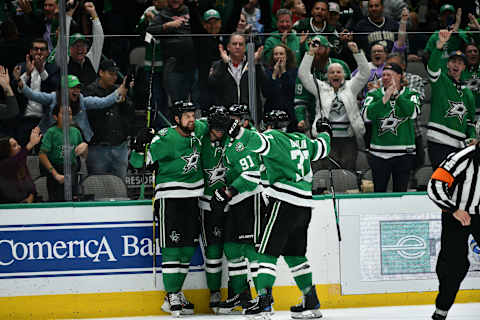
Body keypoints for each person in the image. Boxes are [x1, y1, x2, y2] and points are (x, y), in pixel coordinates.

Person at [225, 110, 331, 320]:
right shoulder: (302, 139)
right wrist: (325, 131)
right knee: (295, 255)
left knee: (266, 253)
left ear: (269, 125)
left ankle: (264, 302)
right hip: (304, 205)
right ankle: (311, 302)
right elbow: (323, 148)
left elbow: (256, 142)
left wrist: (235, 130)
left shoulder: (274, 138)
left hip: (283, 201)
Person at [130, 101, 208, 317]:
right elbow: (138, 163)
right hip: (170, 199)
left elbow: (217, 125)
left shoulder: (199, 129)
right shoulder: (165, 139)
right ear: (176, 119)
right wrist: (138, 144)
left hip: (194, 199)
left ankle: (175, 293)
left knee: (187, 249)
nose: (192, 119)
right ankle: (172, 293)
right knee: (172, 248)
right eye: (187, 116)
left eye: (193, 114)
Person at [210, 108, 266, 314]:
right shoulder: (229, 142)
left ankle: (263, 298)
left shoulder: (247, 141)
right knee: (232, 249)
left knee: (252, 251)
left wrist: (227, 192)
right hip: (236, 202)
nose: (230, 124)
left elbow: (252, 177)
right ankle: (241, 294)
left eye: (234, 120)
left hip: (251, 200)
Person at [426, 130, 480, 320]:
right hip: (457, 215)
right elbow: (435, 185)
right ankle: (442, 309)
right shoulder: (462, 158)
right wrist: (454, 209)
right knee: (454, 265)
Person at [298, 40, 370, 170]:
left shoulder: (351, 87)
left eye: (338, 72)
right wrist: (310, 53)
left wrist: (357, 53)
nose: (335, 74)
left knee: (349, 170)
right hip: (327, 138)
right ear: (327, 76)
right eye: (332, 72)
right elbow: (303, 75)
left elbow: (365, 73)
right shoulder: (321, 88)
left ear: (344, 75)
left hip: (348, 138)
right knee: (329, 170)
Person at [18, 74, 128, 143]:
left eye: (78, 87)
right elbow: (33, 95)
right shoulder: (53, 98)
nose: (76, 90)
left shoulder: (82, 101)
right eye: (73, 88)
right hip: (52, 138)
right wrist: (22, 85)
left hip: (74, 141)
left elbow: (104, 102)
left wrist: (121, 88)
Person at [362, 63, 420, 192]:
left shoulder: (411, 94)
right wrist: (384, 98)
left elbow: (413, 113)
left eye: (389, 75)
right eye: (383, 75)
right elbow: (366, 116)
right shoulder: (374, 94)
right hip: (379, 153)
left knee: (400, 193)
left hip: (404, 153)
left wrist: (397, 97)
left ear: (400, 76)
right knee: (379, 193)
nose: (385, 77)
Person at [426, 29, 476, 169]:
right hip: (438, 141)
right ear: (448, 64)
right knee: (441, 180)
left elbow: (470, 121)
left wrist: (472, 137)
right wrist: (439, 47)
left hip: (459, 145)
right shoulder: (440, 80)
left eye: (460, 63)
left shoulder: (467, 93)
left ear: (464, 67)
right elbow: (432, 67)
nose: (456, 65)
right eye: (453, 61)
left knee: (456, 184)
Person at [198, 105, 230, 313]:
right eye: (215, 127)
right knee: (213, 251)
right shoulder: (200, 139)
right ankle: (214, 292)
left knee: (237, 250)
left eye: (222, 127)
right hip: (209, 204)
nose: (219, 131)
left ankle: (239, 293)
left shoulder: (232, 138)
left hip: (233, 202)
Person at [82, 59, 134, 180]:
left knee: (120, 186)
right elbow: (96, 110)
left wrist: (125, 98)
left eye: (116, 74)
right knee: (98, 185)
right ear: (101, 72)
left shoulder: (120, 90)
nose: (114, 77)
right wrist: (118, 94)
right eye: (111, 73)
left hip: (119, 146)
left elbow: (130, 113)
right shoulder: (89, 90)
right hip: (98, 148)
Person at [294, 35, 351, 134]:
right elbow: (300, 101)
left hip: (343, 122)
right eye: (312, 47)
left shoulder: (341, 66)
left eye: (319, 48)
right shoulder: (305, 71)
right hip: (317, 122)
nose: (315, 51)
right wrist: (301, 119)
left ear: (328, 49)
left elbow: (351, 93)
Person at [147, 0, 198, 104]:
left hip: (192, 62)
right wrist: (167, 26)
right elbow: (149, 30)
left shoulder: (190, 11)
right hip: (173, 65)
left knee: (192, 98)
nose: (175, 0)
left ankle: (189, 119)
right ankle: (174, 120)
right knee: (175, 100)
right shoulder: (163, 14)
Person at [13, 38, 59, 146]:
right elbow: (15, 91)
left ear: (48, 52)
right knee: (22, 153)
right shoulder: (21, 67)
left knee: (44, 152)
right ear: (30, 51)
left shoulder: (54, 69)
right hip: (24, 119)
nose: (39, 52)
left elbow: (55, 88)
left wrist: (41, 70)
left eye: (42, 49)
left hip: (45, 120)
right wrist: (27, 74)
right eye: (36, 49)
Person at [38, 105, 87, 202]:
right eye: (63, 114)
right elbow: (42, 154)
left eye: (69, 114)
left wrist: (85, 147)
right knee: (57, 203)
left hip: (72, 170)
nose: (67, 117)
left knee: (73, 202)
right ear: (55, 117)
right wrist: (55, 174)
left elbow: (84, 156)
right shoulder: (51, 132)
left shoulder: (76, 131)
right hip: (56, 170)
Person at [209, 33, 265, 113]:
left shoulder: (252, 64)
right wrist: (224, 65)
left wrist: (255, 64)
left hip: (249, 115)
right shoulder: (218, 65)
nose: (237, 47)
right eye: (234, 44)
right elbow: (212, 85)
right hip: (226, 115)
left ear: (245, 48)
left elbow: (264, 86)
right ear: (228, 47)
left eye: (241, 44)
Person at [135, 0, 168, 127]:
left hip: (168, 65)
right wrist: (146, 22)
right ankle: (157, 126)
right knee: (156, 97)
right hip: (152, 65)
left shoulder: (170, 12)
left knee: (166, 99)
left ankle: (166, 125)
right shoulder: (149, 11)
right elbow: (141, 34)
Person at [66, 2, 104, 87]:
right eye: (76, 46)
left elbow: (99, 38)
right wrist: (69, 14)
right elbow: (62, 39)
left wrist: (93, 13)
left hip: (91, 99)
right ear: (69, 49)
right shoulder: (66, 61)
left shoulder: (91, 59)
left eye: (83, 45)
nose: (80, 49)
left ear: (86, 48)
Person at [0, 127, 41, 204]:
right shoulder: (3, 165)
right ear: (6, 150)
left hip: (28, 203)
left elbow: (29, 183)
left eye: (18, 144)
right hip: (8, 206)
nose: (19, 147)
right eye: (14, 146)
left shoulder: (21, 163)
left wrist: (31, 196)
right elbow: (13, 161)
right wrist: (31, 144)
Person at [262, 44, 298, 130]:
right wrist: (274, 75)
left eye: (281, 54)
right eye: (276, 54)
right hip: (271, 113)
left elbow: (292, 90)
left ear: (286, 56)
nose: (279, 56)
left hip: (289, 114)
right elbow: (266, 93)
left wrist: (284, 72)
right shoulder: (268, 72)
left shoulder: (294, 71)